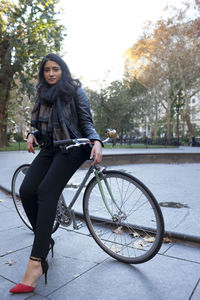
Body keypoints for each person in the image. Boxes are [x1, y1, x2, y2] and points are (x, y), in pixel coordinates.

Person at [9, 53, 102, 294]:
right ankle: (46, 239)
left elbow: (86, 121)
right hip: (52, 147)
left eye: (56, 69)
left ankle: (36, 262)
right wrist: (32, 135)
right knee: (27, 190)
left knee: (46, 191)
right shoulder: (42, 94)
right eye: (47, 70)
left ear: (63, 71)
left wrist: (96, 141)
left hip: (73, 147)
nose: (51, 73)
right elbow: (39, 128)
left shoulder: (74, 91)